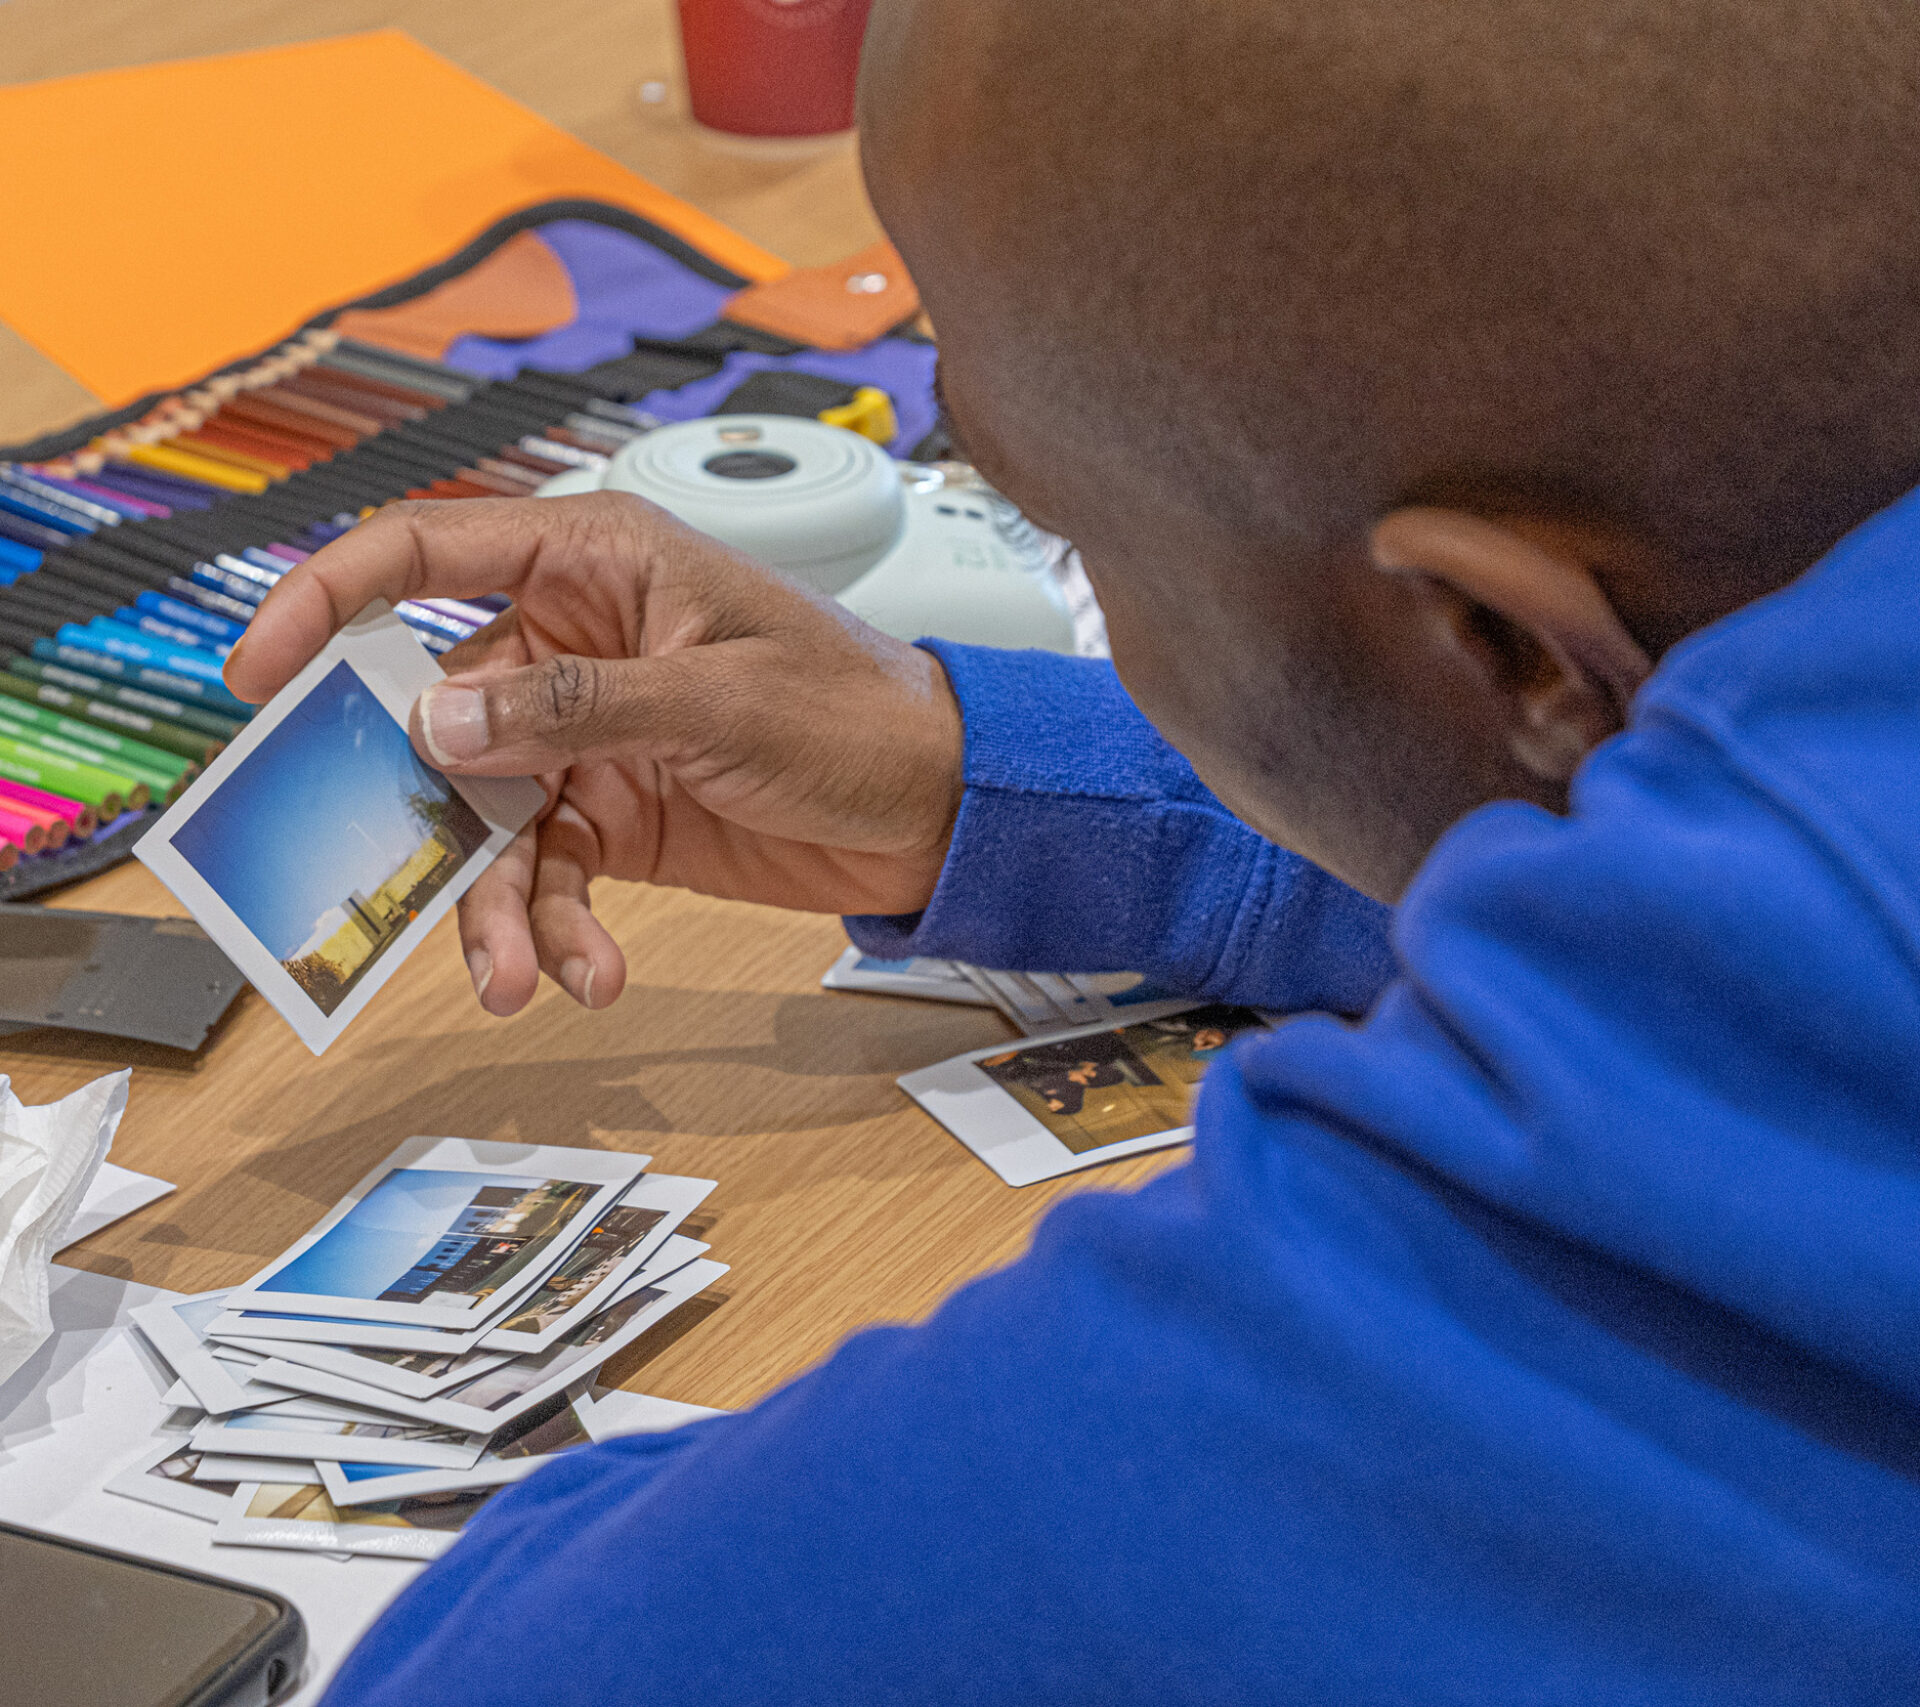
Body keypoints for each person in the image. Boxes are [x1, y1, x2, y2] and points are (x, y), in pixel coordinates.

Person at [224, 0, 1920, 1697]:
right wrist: (1007, 780)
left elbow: (532, 1667)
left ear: (1505, 647)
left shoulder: (1614, 1282)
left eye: (1075, 527)